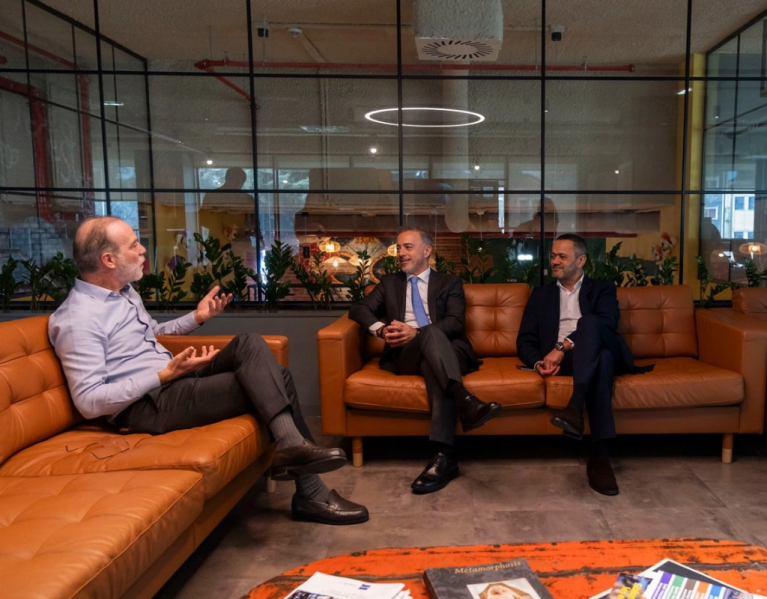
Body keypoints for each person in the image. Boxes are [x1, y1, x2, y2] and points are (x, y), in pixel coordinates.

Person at [49, 216, 368, 526]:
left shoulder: (124, 293)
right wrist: (162, 375)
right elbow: (89, 401)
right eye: (133, 245)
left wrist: (197, 318)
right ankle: (309, 486)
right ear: (108, 260)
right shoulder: (78, 318)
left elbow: (151, 334)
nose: (143, 250)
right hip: (145, 405)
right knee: (276, 379)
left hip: (172, 382)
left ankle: (291, 450)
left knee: (248, 343)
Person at [349, 226, 502, 494]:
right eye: (398, 248)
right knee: (428, 341)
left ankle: (444, 456)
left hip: (450, 351)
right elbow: (359, 308)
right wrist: (381, 330)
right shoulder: (390, 283)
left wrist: (417, 332)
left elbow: (455, 322)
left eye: (408, 247)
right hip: (405, 355)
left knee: (432, 353)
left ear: (427, 250)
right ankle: (464, 401)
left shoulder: (449, 282)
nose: (401, 253)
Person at [516, 233, 652, 496]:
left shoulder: (602, 288)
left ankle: (575, 405)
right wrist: (538, 362)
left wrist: (562, 346)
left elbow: (608, 323)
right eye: (553, 256)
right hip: (576, 362)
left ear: (581, 260)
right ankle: (600, 456)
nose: (554, 261)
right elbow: (525, 340)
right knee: (602, 361)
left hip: (592, 347)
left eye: (562, 256)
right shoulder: (540, 295)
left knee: (590, 323)